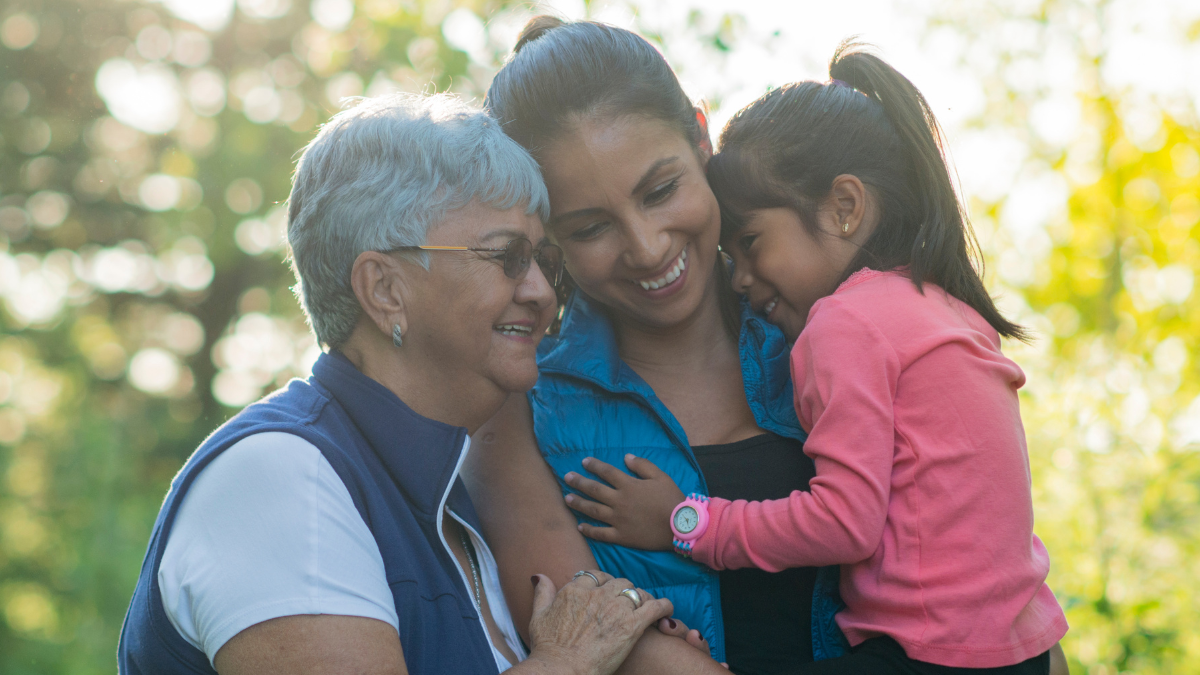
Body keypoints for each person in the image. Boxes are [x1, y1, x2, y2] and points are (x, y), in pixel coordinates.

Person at [117, 93, 681, 675]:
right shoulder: (279, 476)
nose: (541, 292)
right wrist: (569, 661)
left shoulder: (446, 507)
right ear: (384, 288)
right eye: (507, 256)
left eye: (544, 260)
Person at [561, 44, 1073, 674]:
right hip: (1021, 645)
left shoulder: (845, 323)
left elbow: (843, 522)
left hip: (930, 655)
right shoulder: (940, 303)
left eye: (750, 244)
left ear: (845, 206)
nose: (741, 278)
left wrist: (683, 521)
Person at [464, 17, 847, 675]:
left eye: (661, 190)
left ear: (701, 137)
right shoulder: (517, 406)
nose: (646, 248)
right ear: (545, 235)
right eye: (590, 228)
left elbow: (970, 558)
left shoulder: (833, 327)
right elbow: (610, 646)